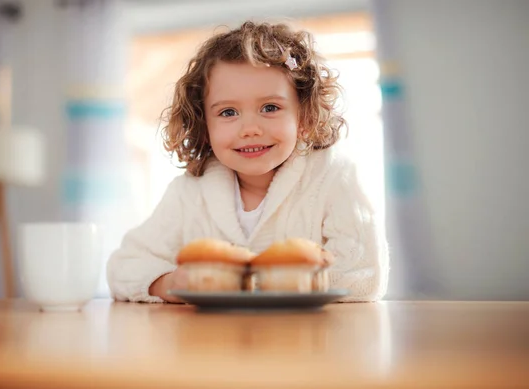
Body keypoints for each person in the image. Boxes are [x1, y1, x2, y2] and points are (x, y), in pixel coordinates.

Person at [107, 21, 389, 303]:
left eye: (270, 108)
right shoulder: (188, 194)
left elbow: (364, 275)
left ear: (304, 117)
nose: (249, 128)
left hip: (309, 341)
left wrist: (262, 284)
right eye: (228, 112)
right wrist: (170, 283)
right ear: (205, 127)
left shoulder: (334, 176)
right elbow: (124, 267)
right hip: (211, 341)